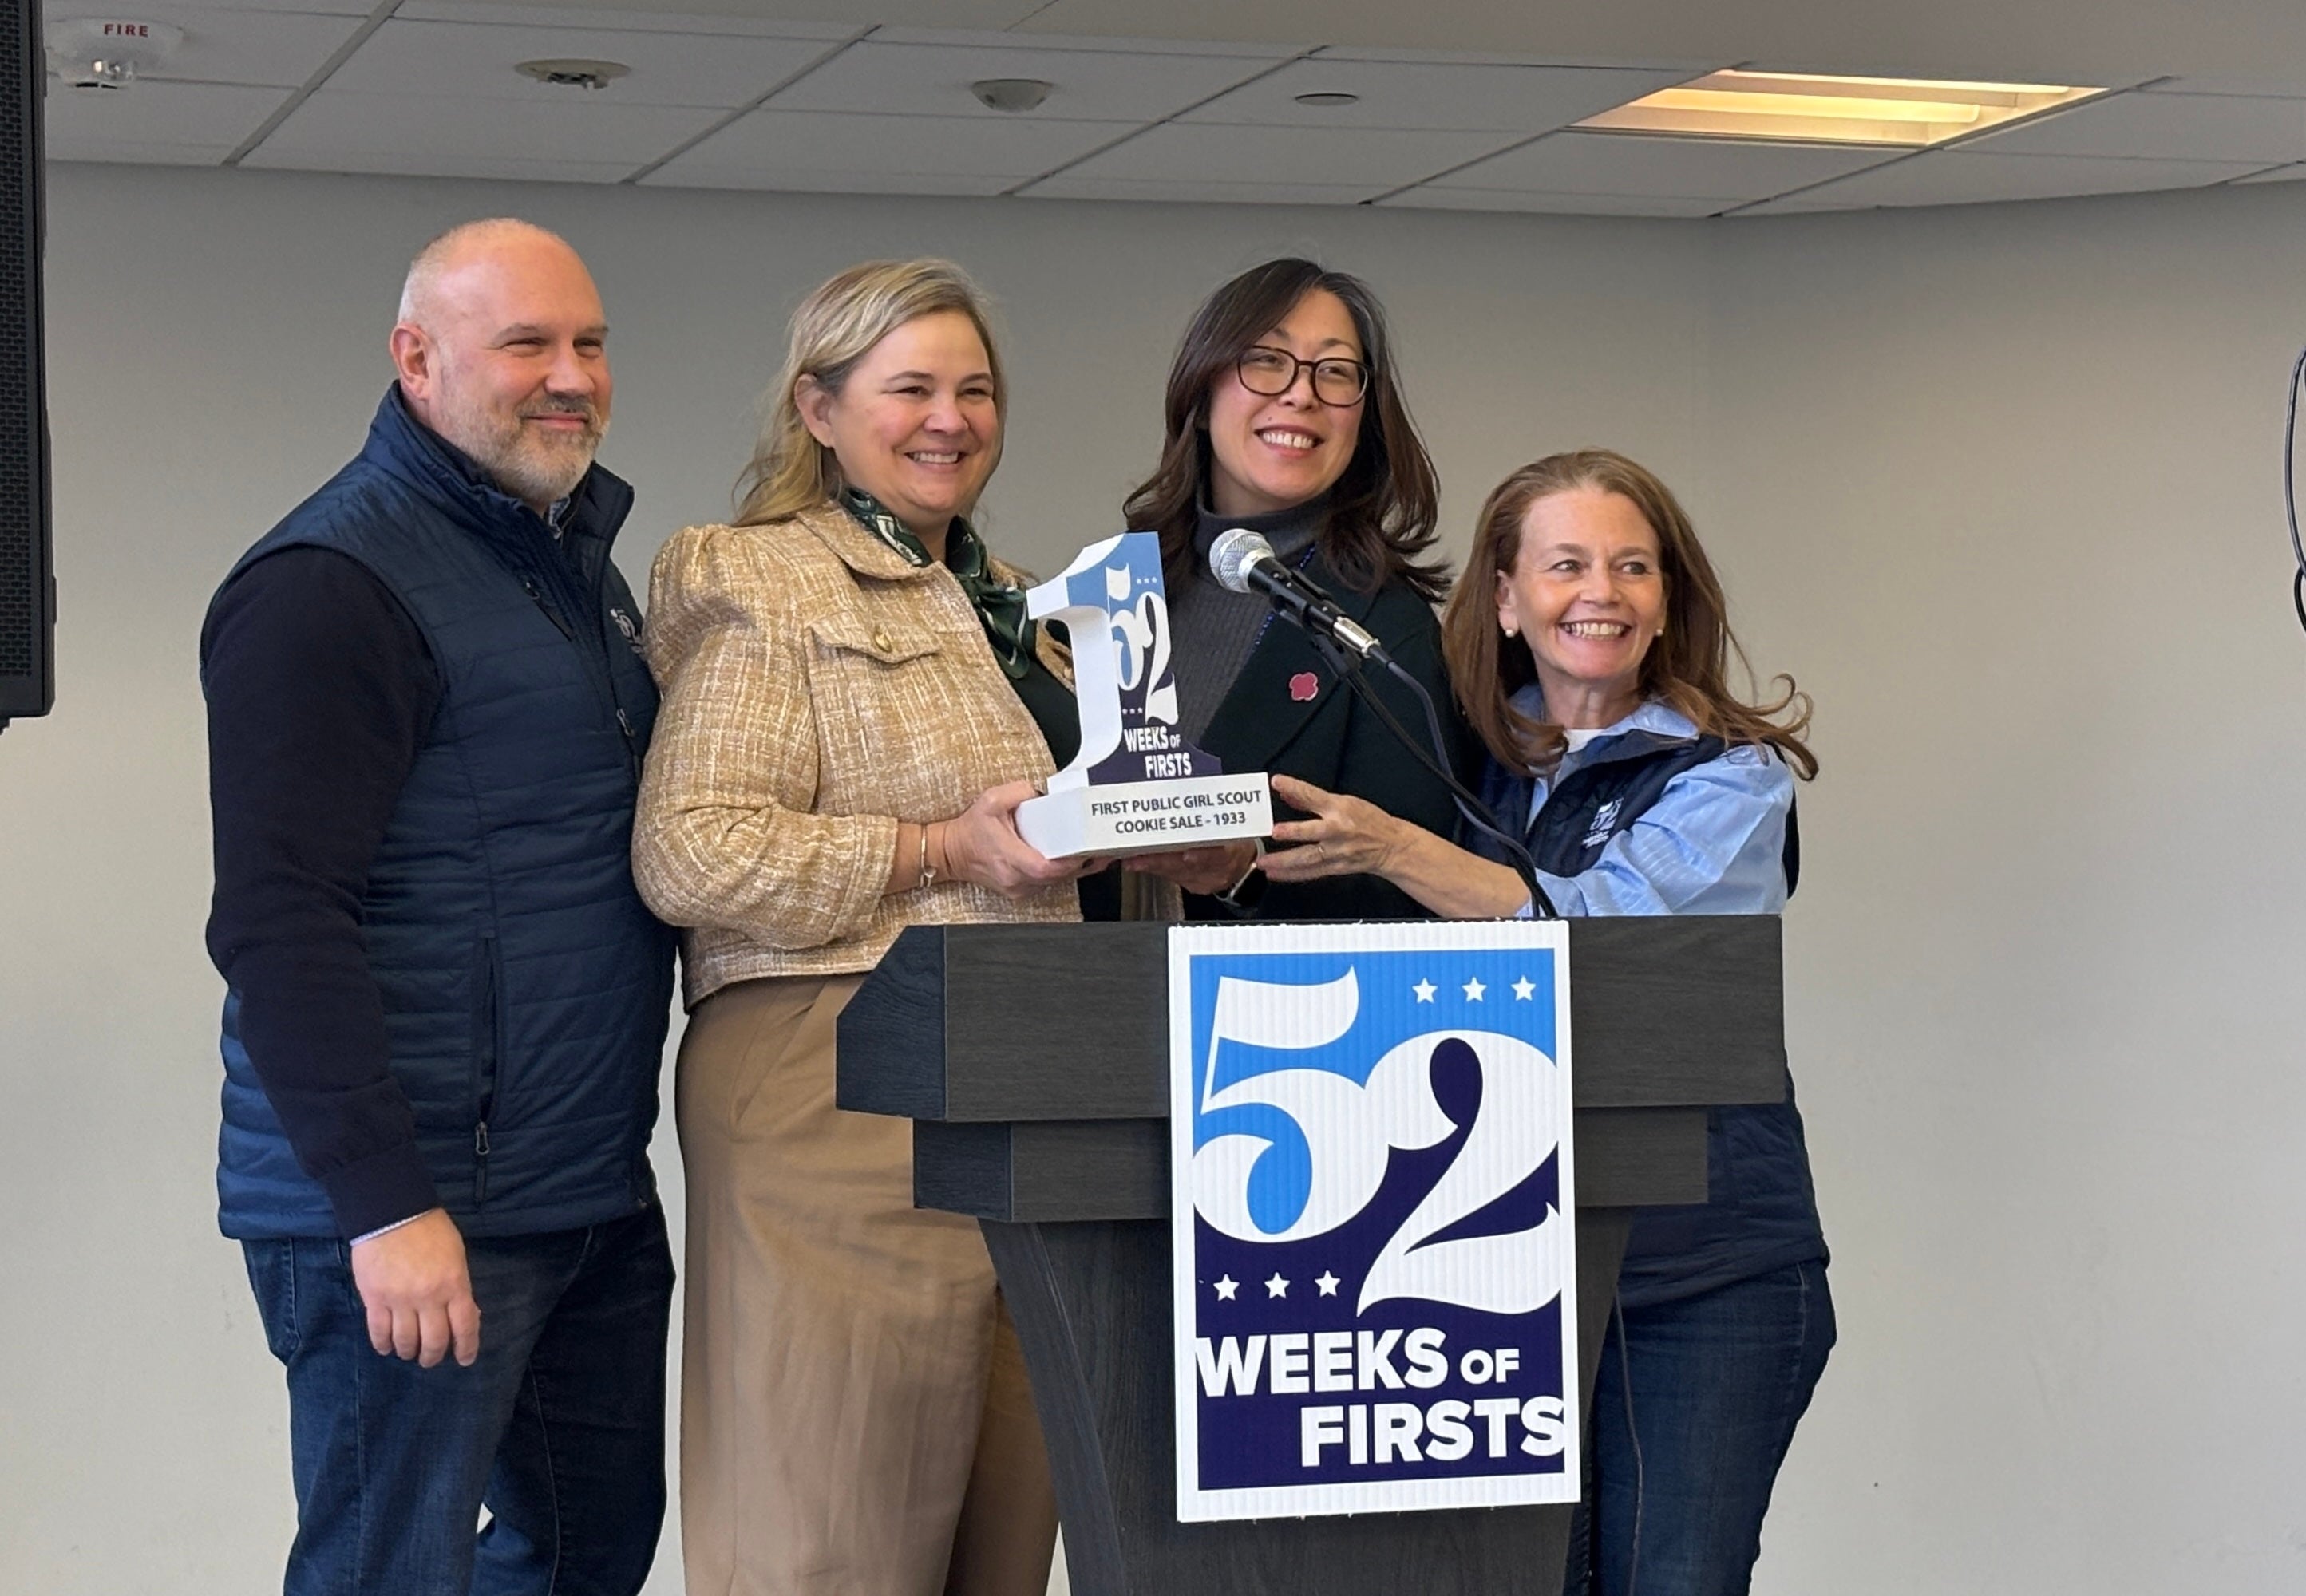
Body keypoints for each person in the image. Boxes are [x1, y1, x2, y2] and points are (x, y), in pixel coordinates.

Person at [200, 219, 678, 1595]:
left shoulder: (571, 568)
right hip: (415, 1218)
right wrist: (383, 1205)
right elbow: (279, 922)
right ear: (416, 360)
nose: (569, 376)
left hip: (583, 1194)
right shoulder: (328, 587)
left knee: (587, 1557)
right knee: (386, 1574)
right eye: (525, 344)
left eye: (588, 344)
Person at [1266, 449, 1833, 1596]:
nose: (1602, 592)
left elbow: (1605, 930)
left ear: (1667, 597)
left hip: (1702, 1269)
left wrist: (1402, 851)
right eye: (1567, 564)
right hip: (1490, 1271)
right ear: (1508, 599)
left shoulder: (1732, 774)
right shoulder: (1456, 764)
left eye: (1633, 566)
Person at [632, 259, 1088, 1596]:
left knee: (998, 1546)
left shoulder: (1026, 609)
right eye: (909, 389)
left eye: (973, 389)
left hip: (1034, 1093)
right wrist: (936, 846)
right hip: (837, 1083)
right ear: (818, 409)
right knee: (829, 1539)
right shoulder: (760, 579)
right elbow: (691, 850)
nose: (948, 418)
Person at [1117, 257, 1469, 920]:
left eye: (1334, 371)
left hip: (1277, 1008)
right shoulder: (1116, 590)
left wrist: (1243, 871)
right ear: (1199, 395)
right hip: (1074, 989)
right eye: (1266, 361)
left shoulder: (1385, 630)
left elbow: (1410, 892)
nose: (1301, 394)